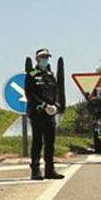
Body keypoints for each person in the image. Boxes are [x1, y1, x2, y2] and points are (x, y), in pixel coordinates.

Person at [24, 48, 65, 181]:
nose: (45, 59)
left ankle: (50, 170)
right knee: (37, 142)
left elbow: (56, 92)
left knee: (50, 142)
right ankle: (35, 170)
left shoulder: (50, 74)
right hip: (37, 113)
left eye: (47, 57)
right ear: (37, 59)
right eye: (42, 57)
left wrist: (56, 105)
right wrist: (44, 105)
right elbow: (30, 93)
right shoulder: (32, 74)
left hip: (50, 113)